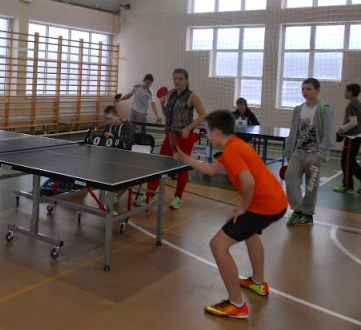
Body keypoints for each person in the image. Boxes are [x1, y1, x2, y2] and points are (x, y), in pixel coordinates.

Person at [172, 110, 287, 319]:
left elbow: (248, 183)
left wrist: (243, 207)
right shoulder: (234, 146)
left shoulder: (232, 151)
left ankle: (236, 304)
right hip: (277, 201)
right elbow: (211, 170)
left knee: (218, 245)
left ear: (216, 132)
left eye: (207, 131)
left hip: (263, 205)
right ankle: (258, 282)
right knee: (250, 234)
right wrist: (186, 158)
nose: (207, 135)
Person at [143, 68, 206, 209]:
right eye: (175, 78)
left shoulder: (192, 96)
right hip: (170, 136)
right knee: (160, 166)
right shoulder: (171, 94)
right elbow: (168, 115)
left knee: (182, 168)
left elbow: (203, 115)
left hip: (184, 137)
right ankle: (149, 195)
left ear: (187, 80)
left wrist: (188, 128)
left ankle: (178, 197)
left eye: (180, 79)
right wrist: (161, 104)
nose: (177, 81)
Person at [284, 78, 335, 226]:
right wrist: (289, 151)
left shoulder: (324, 109)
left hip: (315, 154)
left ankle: (308, 214)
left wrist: (321, 153)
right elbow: (293, 131)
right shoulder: (299, 109)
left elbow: (329, 134)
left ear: (317, 90)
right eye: (303, 89)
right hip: (298, 152)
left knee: (311, 186)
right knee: (290, 177)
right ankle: (297, 210)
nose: (305, 92)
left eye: (309, 89)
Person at [333, 83, 361, 194]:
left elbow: (354, 122)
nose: (344, 93)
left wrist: (342, 129)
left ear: (350, 92)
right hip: (355, 137)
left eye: (346, 91)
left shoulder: (352, 105)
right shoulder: (357, 103)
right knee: (351, 162)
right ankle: (348, 185)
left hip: (352, 138)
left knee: (347, 163)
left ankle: (347, 186)